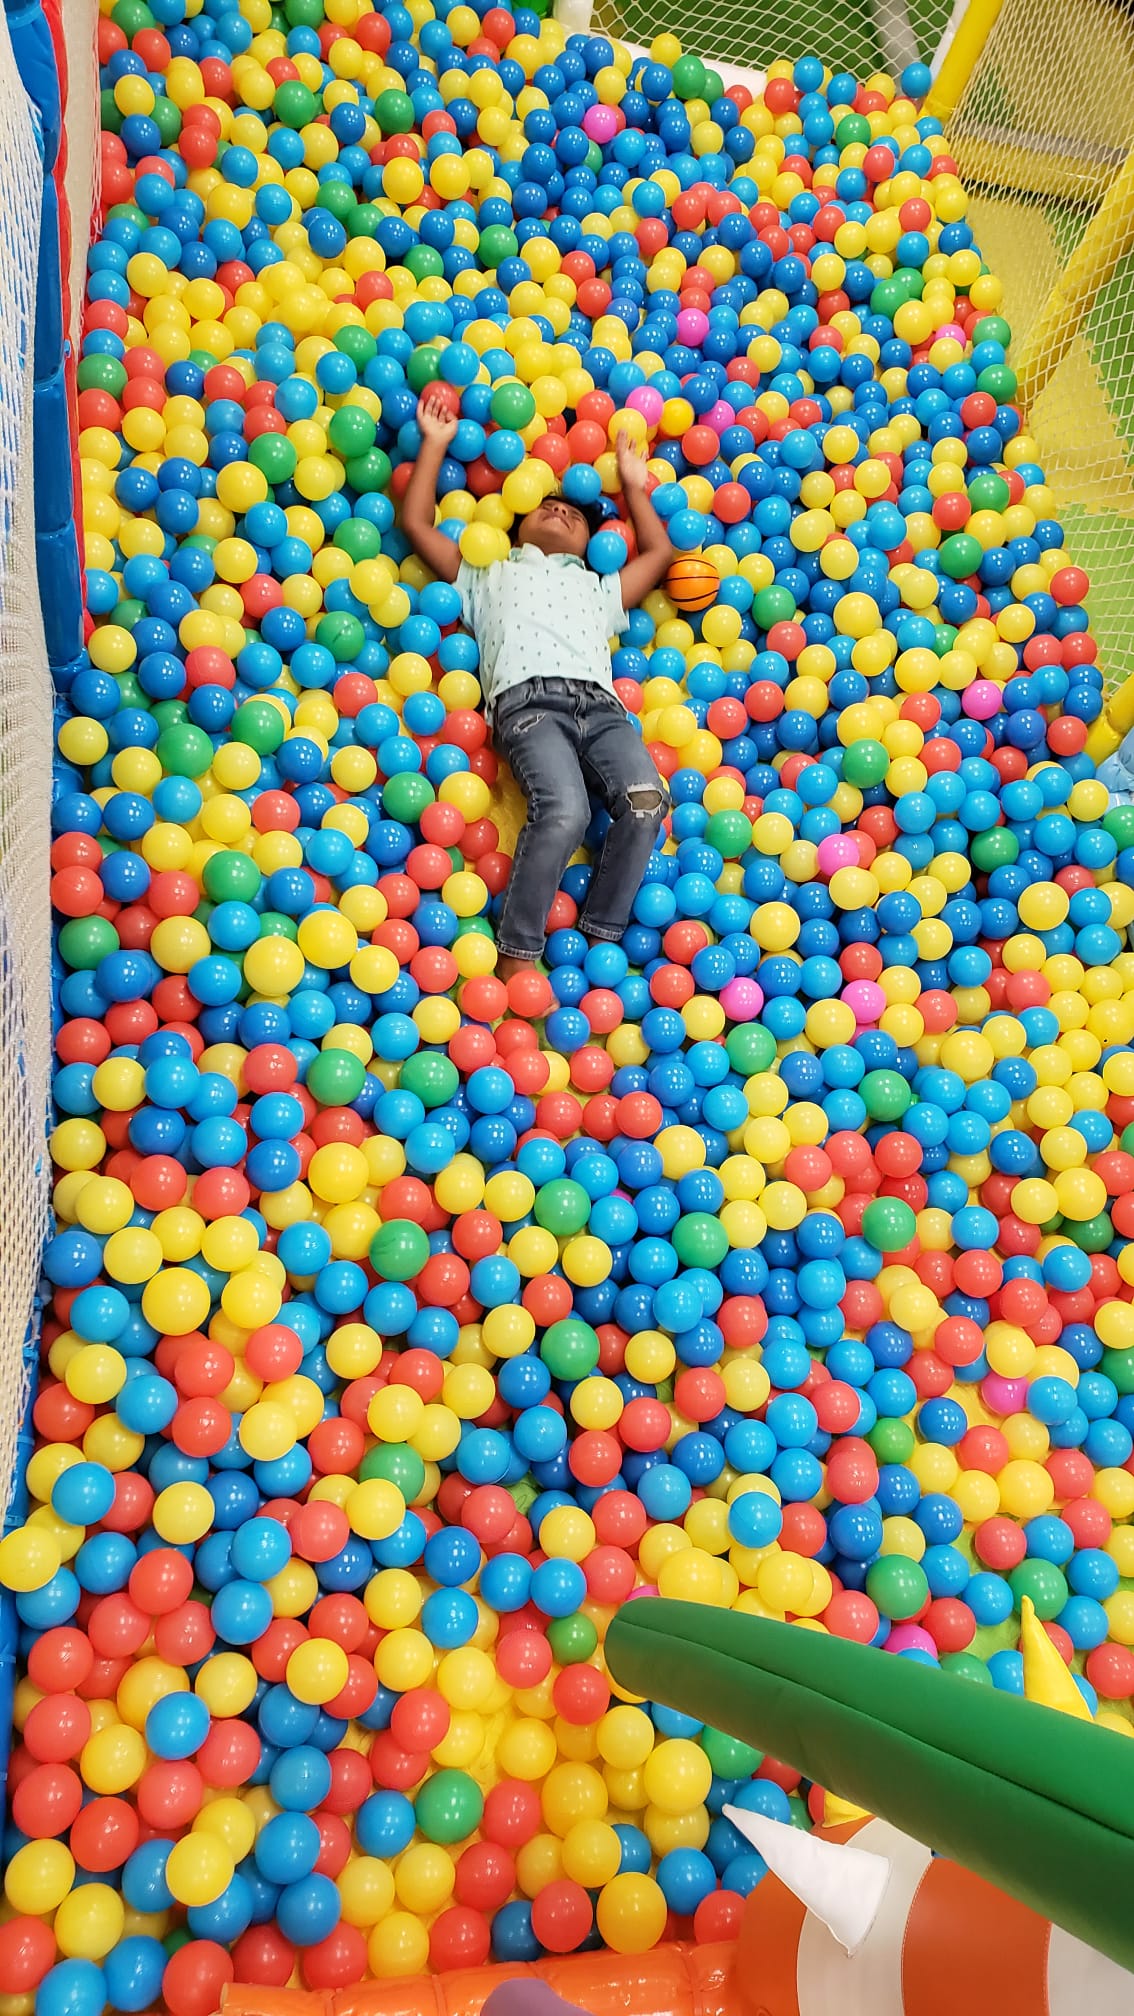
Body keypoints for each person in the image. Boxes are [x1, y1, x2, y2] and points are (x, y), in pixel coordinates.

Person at [402, 388, 675, 979]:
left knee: (647, 801)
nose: (562, 512)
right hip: (529, 705)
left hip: (602, 711)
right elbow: (415, 522)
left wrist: (635, 484)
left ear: (592, 543)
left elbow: (658, 553)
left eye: (576, 515)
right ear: (518, 522)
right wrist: (435, 445)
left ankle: (600, 934)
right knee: (564, 813)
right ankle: (517, 955)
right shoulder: (488, 572)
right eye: (548, 507)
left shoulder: (598, 589)